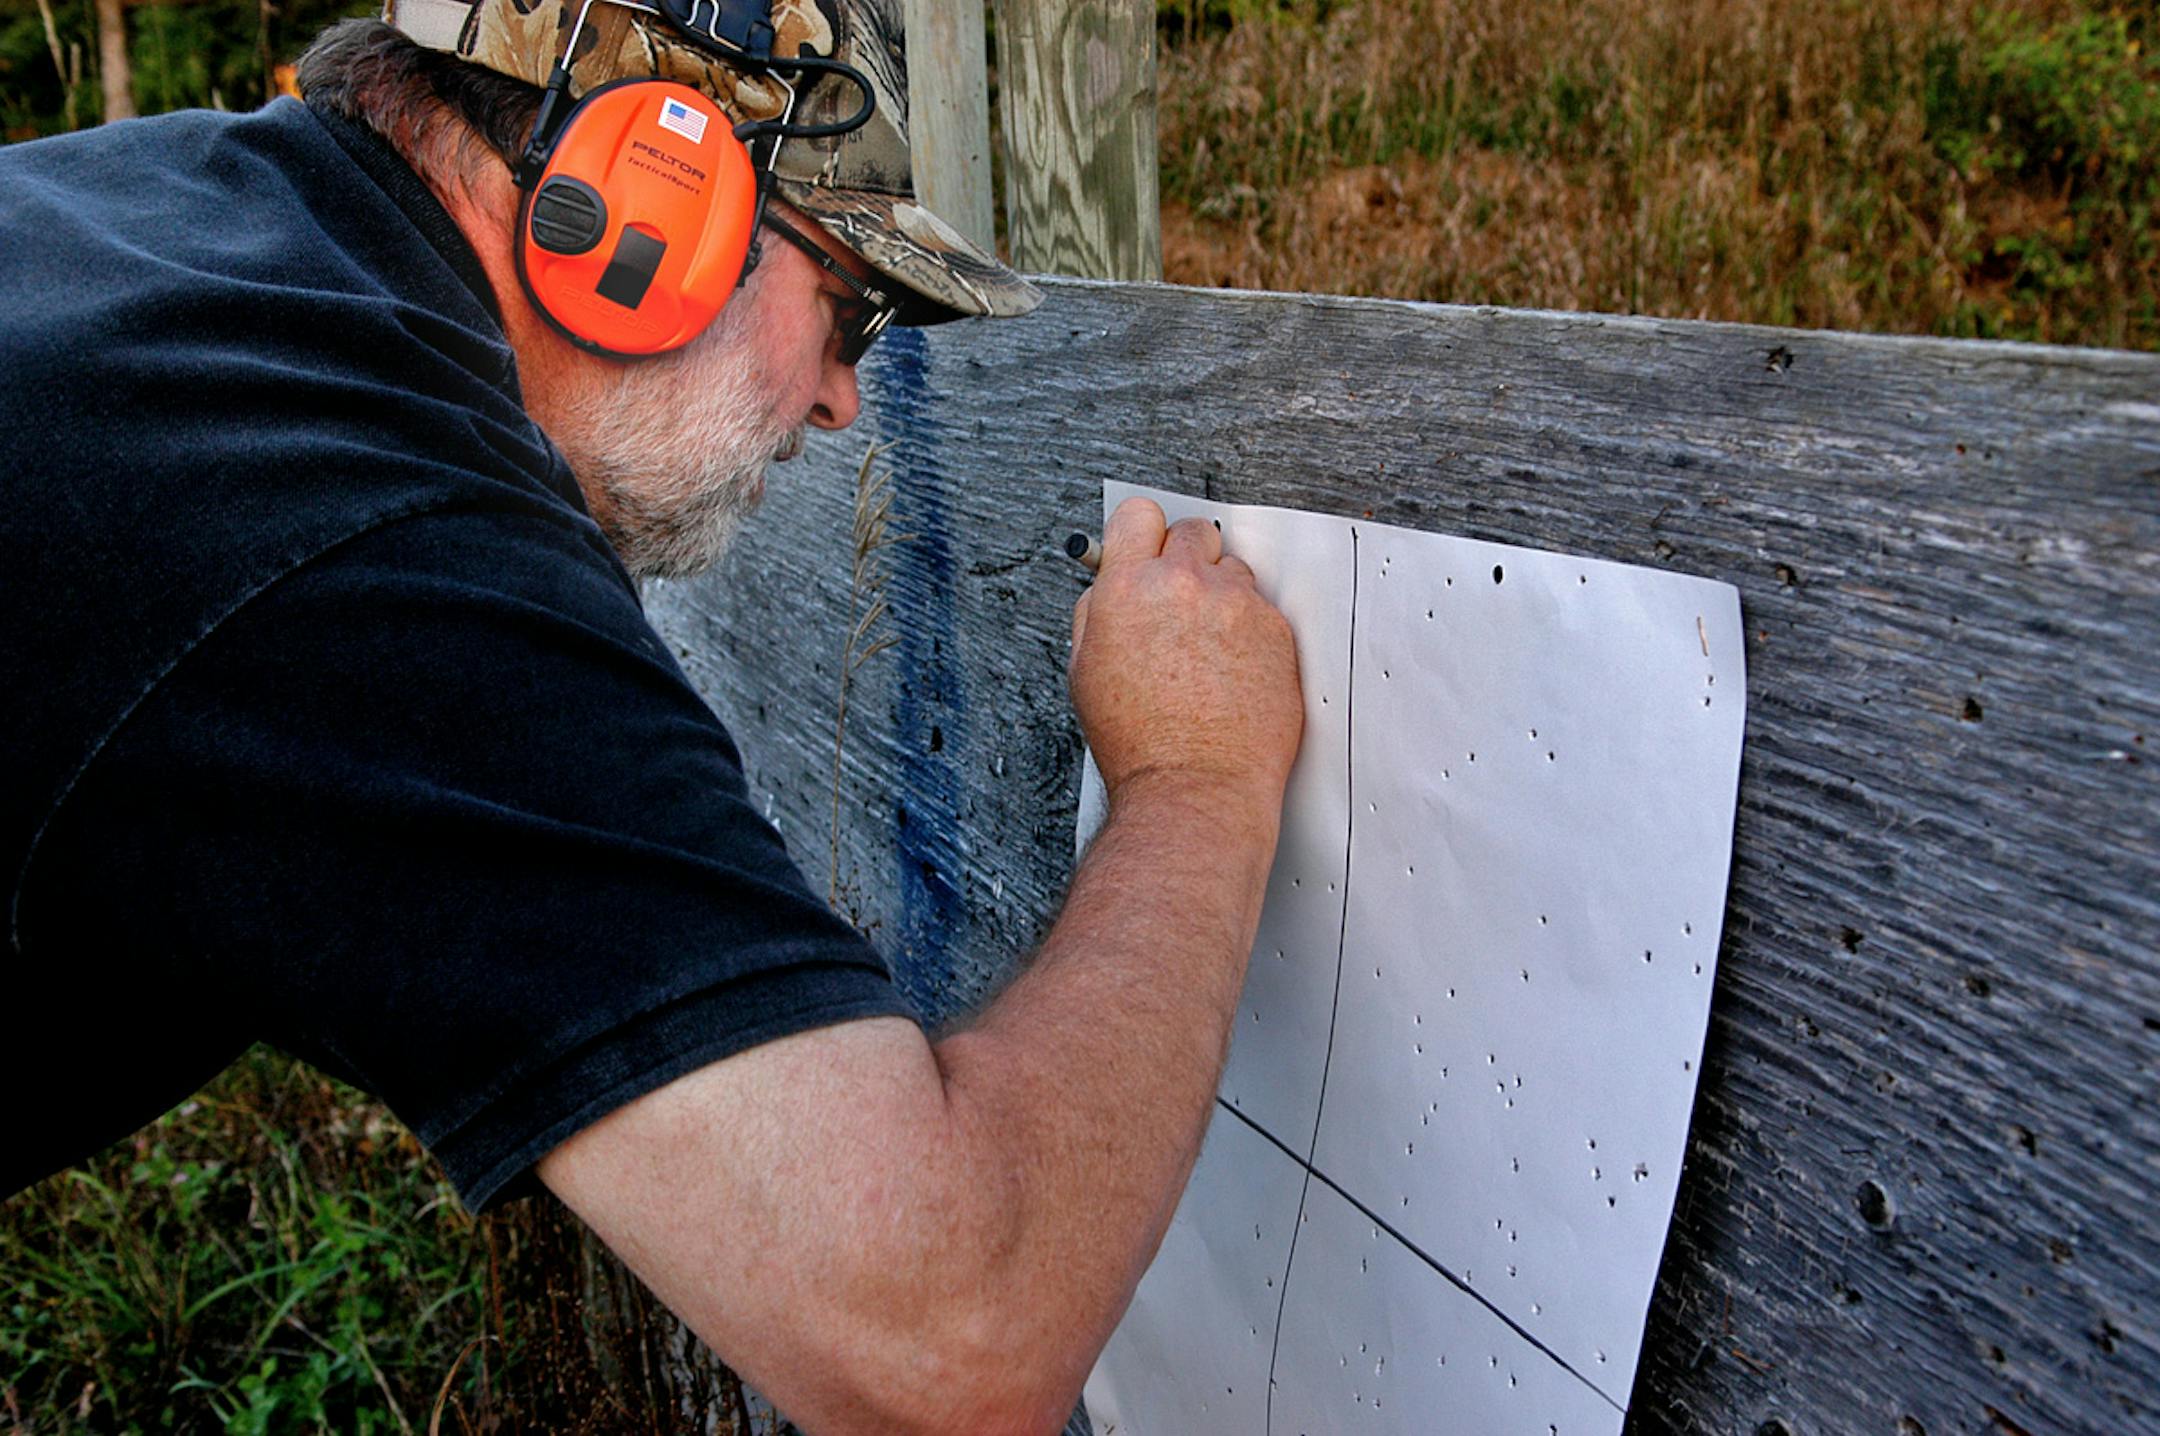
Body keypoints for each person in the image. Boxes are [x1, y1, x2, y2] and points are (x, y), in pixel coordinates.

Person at [0, 0, 1302, 1429]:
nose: (840, 401)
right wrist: (1193, 780)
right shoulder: (371, 517)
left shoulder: (164, 223)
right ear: (653, 194)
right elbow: (948, 1339)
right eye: (847, 302)